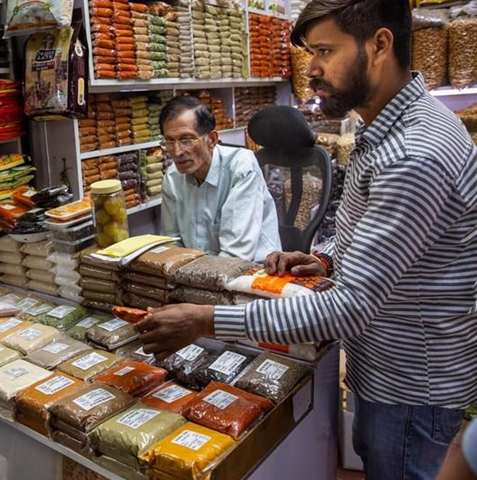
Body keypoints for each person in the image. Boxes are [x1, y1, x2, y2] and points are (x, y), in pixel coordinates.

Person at [137, 1, 477, 479]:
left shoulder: (411, 152)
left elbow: (349, 309)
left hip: (409, 384)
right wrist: (327, 258)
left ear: (379, 46)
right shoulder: (388, 130)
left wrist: (207, 320)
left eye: (324, 51)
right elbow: (399, 244)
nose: (312, 69)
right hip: (392, 370)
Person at [159, 95, 281, 262]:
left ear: (212, 139)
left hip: (252, 272)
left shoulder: (240, 166)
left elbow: (235, 256)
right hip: (198, 274)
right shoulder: (173, 177)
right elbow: (171, 245)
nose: (177, 152)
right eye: (169, 141)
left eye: (187, 140)